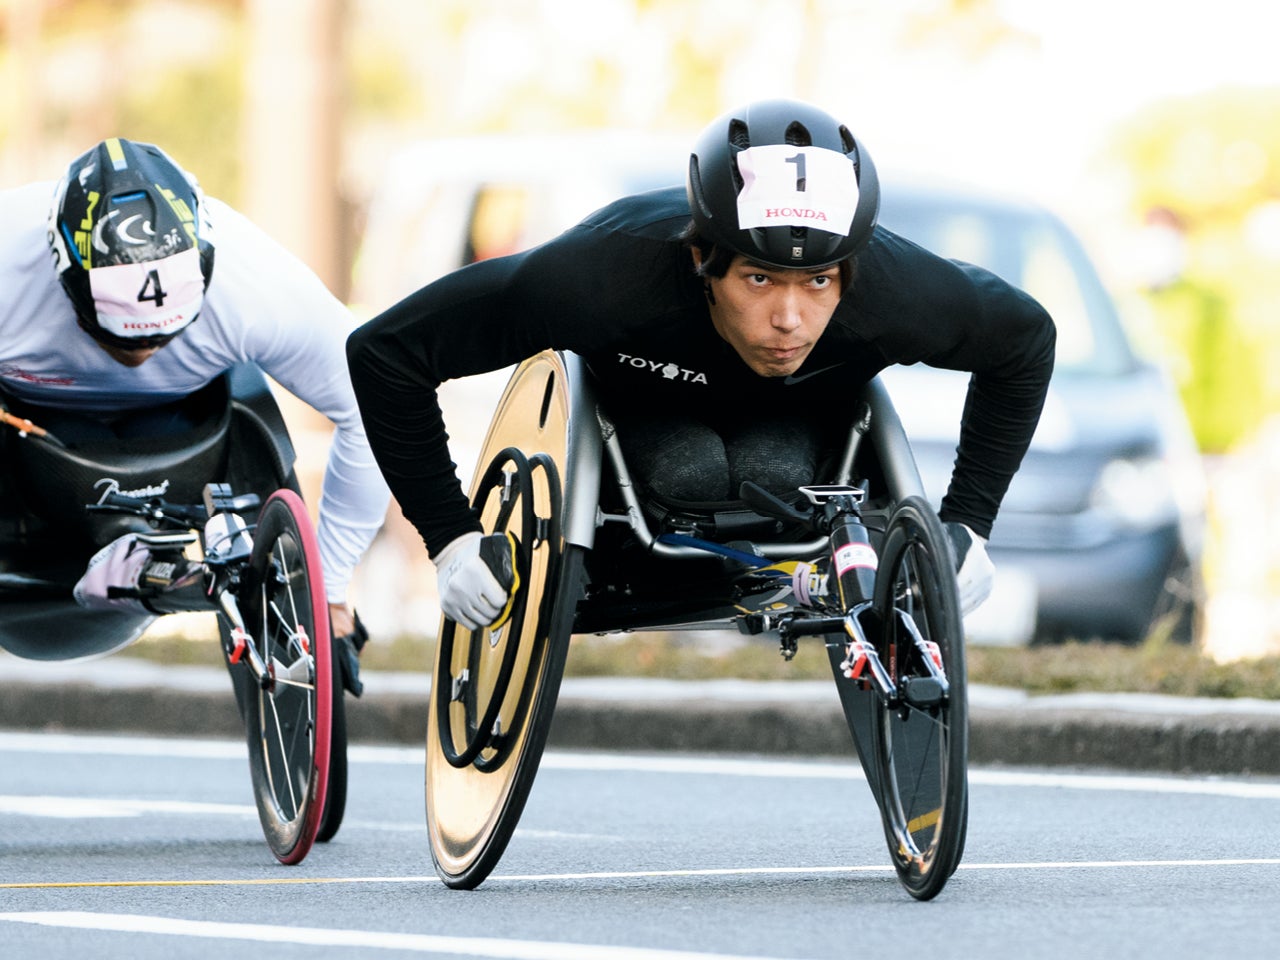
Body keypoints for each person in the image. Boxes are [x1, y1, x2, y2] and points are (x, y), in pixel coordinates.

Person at [346, 99, 1056, 630]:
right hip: (643, 421)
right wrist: (450, 537)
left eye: (818, 281)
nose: (789, 317)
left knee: (770, 469)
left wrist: (967, 524)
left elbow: (1026, 341)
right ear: (701, 257)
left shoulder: (897, 290)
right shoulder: (602, 277)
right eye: (759, 279)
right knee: (689, 469)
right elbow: (386, 351)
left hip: (803, 431)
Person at [0, 137, 389, 694]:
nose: (141, 355)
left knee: (253, 400)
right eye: (116, 337)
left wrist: (329, 587)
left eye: (165, 336)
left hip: (186, 437)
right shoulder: (8, 261)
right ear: (61, 271)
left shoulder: (255, 284)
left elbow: (373, 408)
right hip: (32, 448)